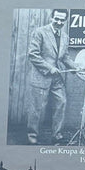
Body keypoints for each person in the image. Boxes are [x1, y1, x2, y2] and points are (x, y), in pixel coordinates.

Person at [25, 9, 71, 145]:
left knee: (61, 103)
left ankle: (57, 135)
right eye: (57, 19)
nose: (59, 22)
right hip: (41, 76)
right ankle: (32, 135)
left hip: (57, 78)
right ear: (51, 18)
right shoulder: (40, 32)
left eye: (62, 20)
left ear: (65, 20)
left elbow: (65, 57)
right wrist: (49, 68)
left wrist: (77, 68)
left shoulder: (65, 37)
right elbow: (33, 54)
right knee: (37, 107)